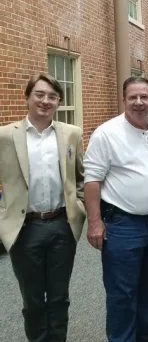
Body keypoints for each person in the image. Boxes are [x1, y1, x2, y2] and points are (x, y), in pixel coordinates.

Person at [83, 76, 148, 342]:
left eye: (144, 97)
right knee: (122, 292)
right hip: (122, 225)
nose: (139, 102)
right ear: (123, 100)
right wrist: (94, 222)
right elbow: (92, 180)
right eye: (132, 97)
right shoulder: (106, 133)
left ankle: (145, 334)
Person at [0, 74, 86, 341]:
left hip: (62, 225)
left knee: (60, 297)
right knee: (33, 300)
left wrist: (79, 208)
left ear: (59, 101)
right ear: (27, 97)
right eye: (39, 94)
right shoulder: (4, 136)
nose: (45, 101)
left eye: (52, 96)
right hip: (25, 229)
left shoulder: (72, 134)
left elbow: (81, 177)